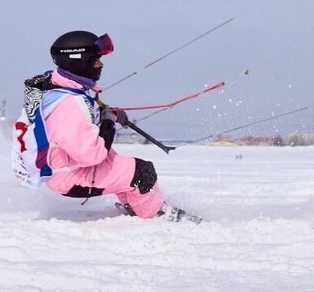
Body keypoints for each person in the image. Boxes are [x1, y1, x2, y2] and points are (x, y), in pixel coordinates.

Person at [12, 30, 192, 221]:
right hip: (69, 176)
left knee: (124, 166)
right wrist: (108, 122)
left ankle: (136, 206)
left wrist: (104, 111)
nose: (101, 65)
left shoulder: (54, 85)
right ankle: (157, 215)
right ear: (79, 63)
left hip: (63, 165)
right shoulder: (69, 104)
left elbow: (80, 115)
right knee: (142, 172)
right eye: (95, 60)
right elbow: (91, 155)